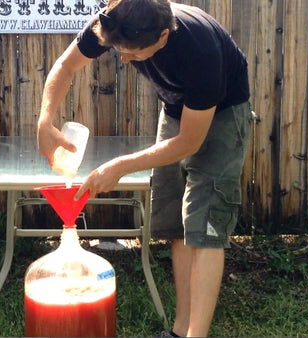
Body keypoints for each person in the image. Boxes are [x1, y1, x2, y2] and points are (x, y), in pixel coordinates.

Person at [36, 0, 253, 336]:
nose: (124, 59)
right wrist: (45, 121)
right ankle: (180, 330)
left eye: (134, 54)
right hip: (178, 109)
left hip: (222, 115)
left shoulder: (200, 51)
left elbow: (189, 142)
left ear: (163, 36)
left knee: (205, 224)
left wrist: (121, 165)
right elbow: (65, 66)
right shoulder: (119, 21)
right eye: (119, 51)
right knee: (177, 222)